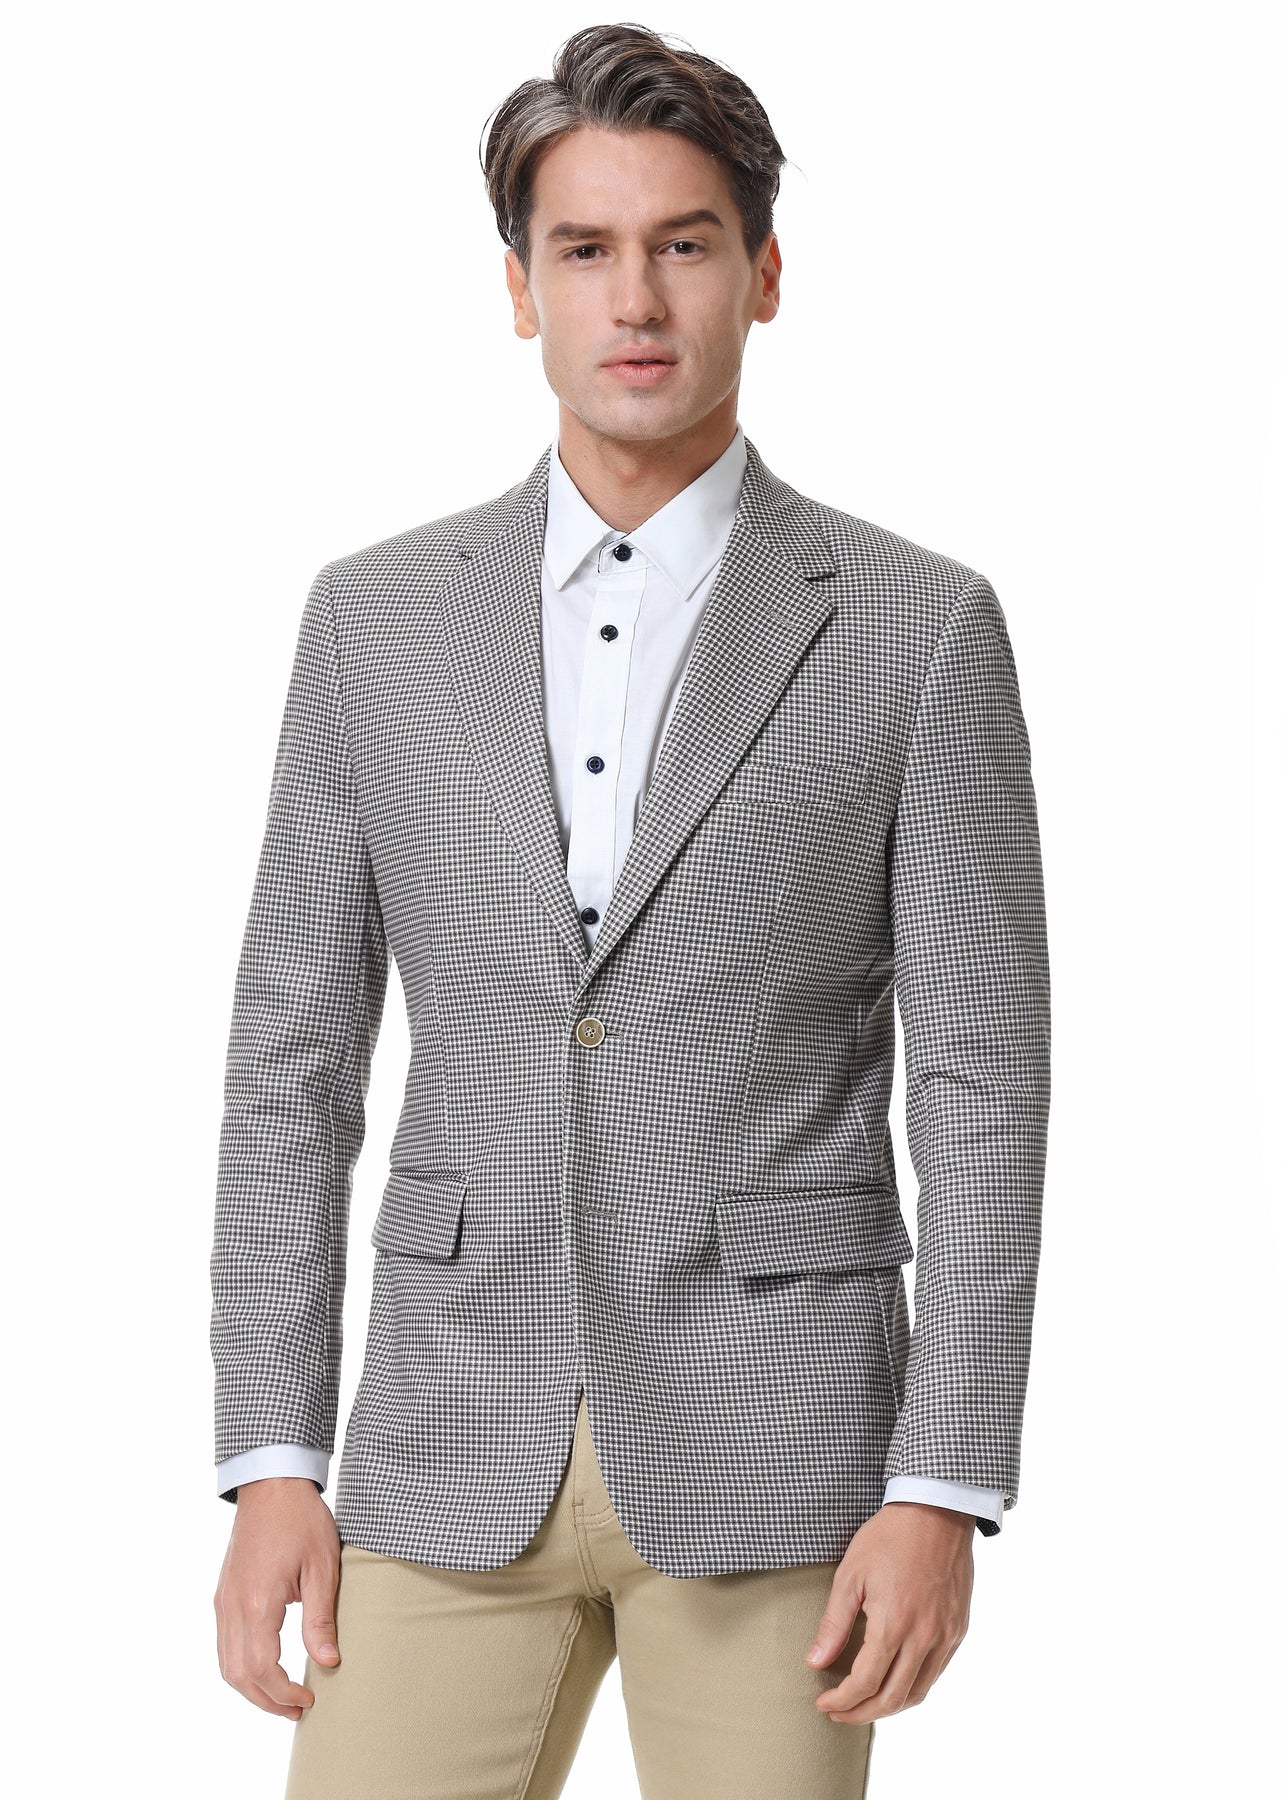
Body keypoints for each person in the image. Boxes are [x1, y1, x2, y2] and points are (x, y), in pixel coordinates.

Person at [210, 21, 1051, 1799]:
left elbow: (982, 1084)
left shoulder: (916, 627)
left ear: (763, 274)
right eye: (583, 250)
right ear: (520, 290)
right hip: (444, 1435)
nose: (637, 298)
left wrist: (941, 1479)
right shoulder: (370, 621)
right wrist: (272, 1453)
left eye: (683, 243)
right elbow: (290, 1060)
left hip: (785, 1447)